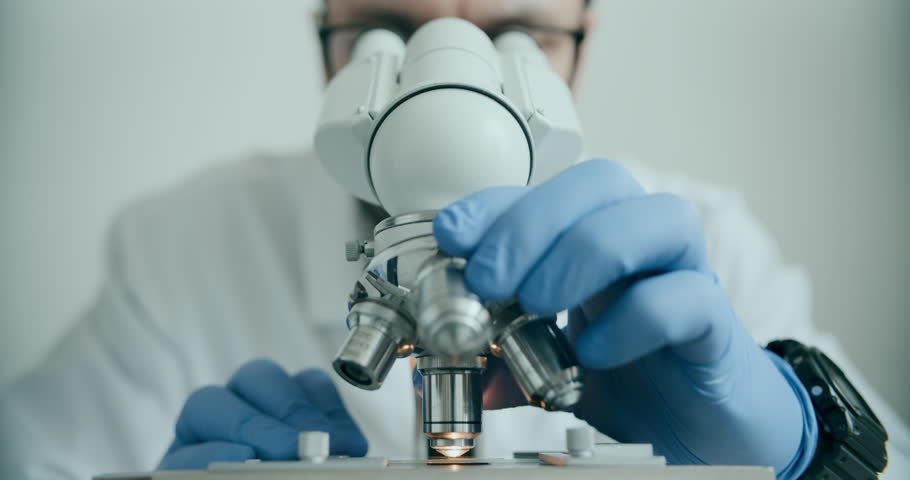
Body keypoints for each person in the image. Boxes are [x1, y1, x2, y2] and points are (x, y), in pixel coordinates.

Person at [1, 1, 907, 478]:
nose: (449, 81)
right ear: (329, 43)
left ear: (581, 43)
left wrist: (804, 453)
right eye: (386, 32)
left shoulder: (704, 237)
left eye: (517, 34)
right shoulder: (182, 245)